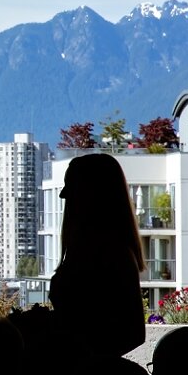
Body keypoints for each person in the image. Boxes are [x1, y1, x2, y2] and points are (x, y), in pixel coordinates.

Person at [48, 152, 145, 359]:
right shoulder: (111, 252)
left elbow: (133, 332)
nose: (63, 194)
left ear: (91, 193)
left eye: (71, 186)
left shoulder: (111, 254)